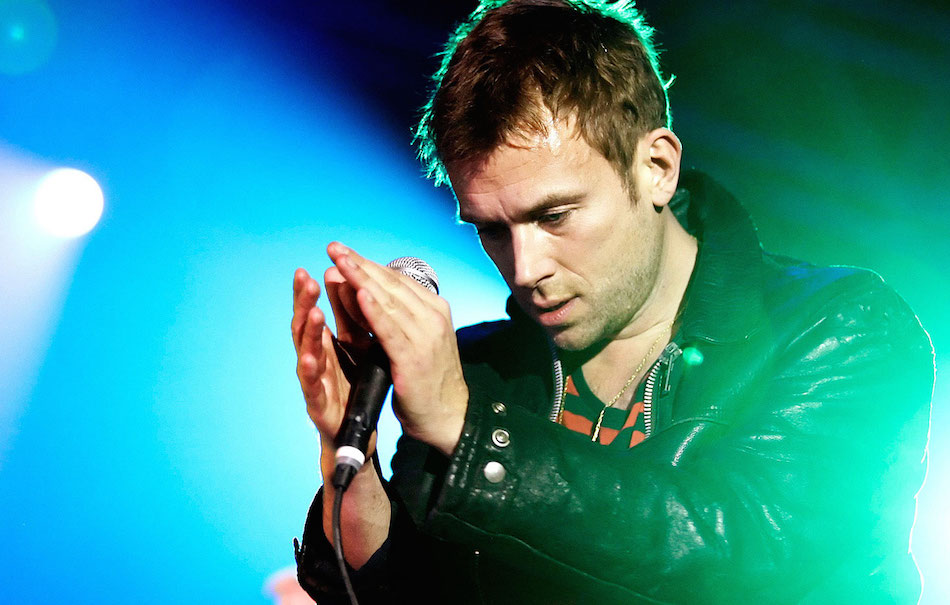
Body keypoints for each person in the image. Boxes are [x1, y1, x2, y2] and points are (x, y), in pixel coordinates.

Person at [289, 1, 934, 603]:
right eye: (492, 229)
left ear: (656, 168)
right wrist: (350, 453)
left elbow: (753, 555)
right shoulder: (479, 370)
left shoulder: (842, 328)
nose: (526, 269)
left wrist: (469, 429)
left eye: (555, 215)